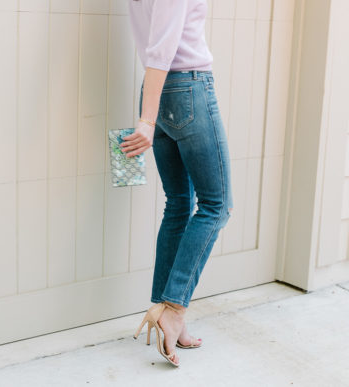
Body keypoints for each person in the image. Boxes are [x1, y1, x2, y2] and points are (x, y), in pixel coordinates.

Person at [124, 0, 233, 367]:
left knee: (179, 204)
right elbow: (164, 45)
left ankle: (162, 309)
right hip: (188, 86)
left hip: (159, 89)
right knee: (217, 206)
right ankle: (173, 308)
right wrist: (147, 121)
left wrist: (149, 112)